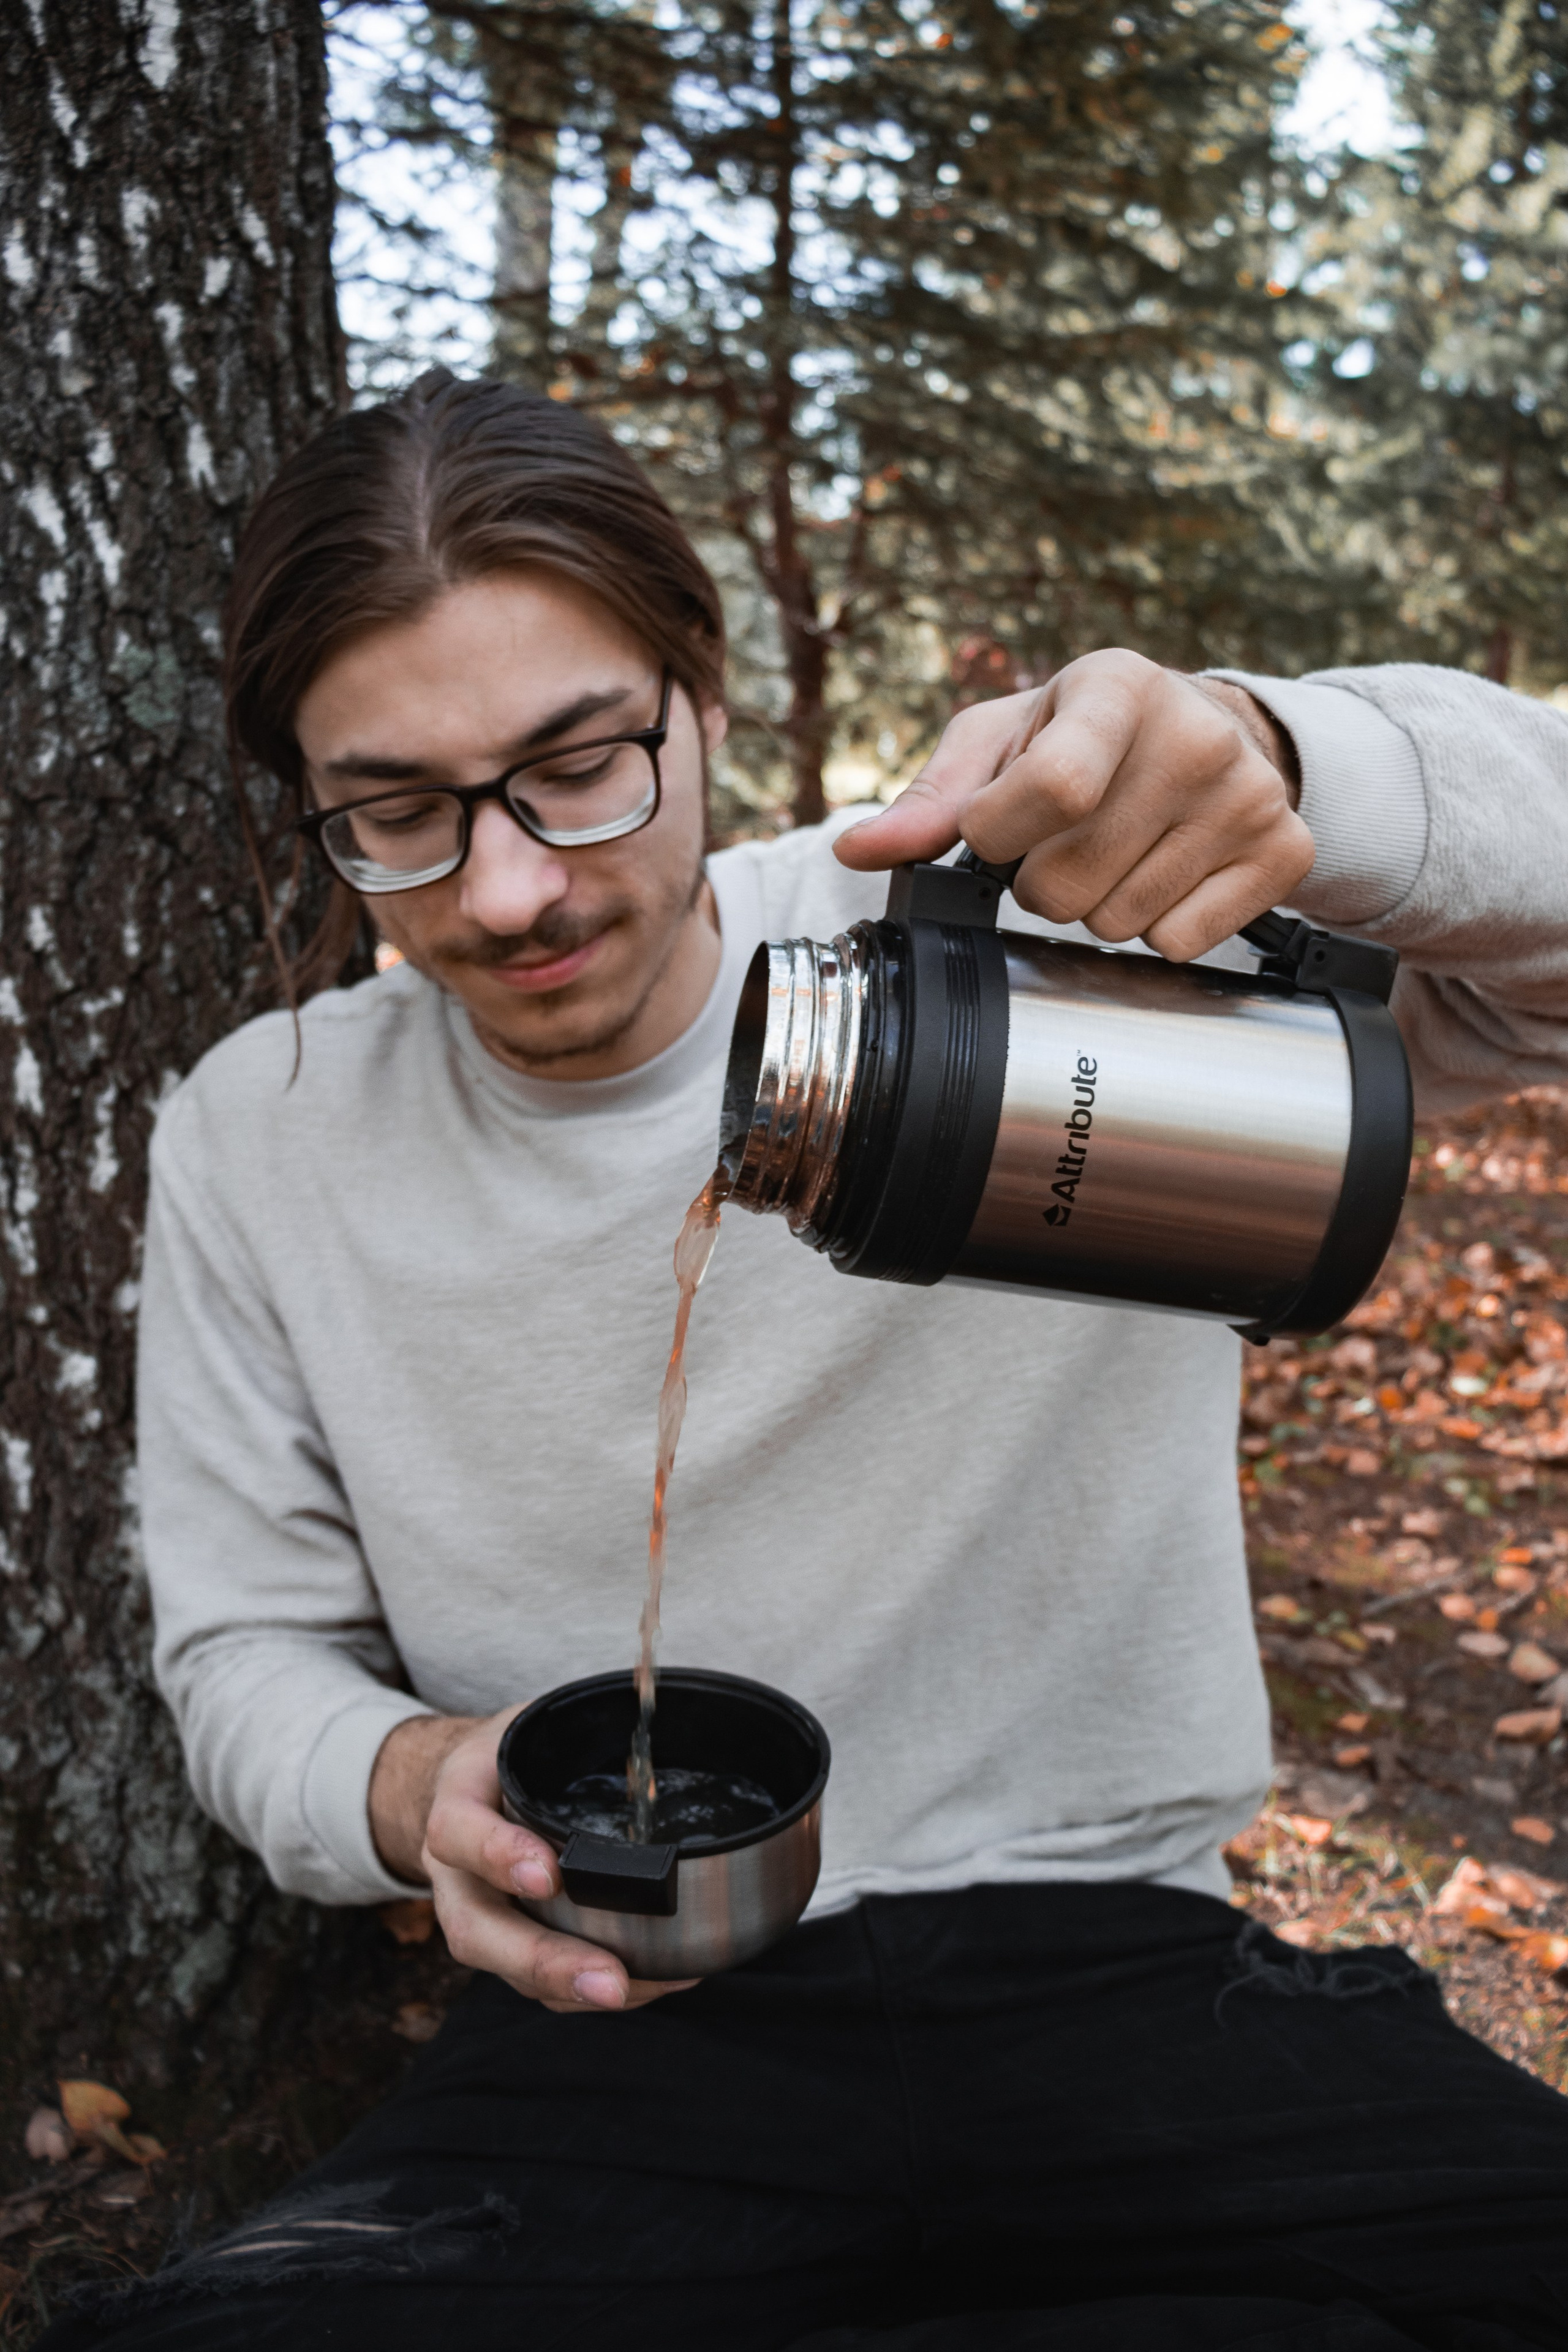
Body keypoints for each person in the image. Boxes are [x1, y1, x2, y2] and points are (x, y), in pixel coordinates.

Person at [49, 372, 1568, 2351]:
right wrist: (414, 1783)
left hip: (1122, 1972)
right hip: (625, 2029)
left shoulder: (1021, 948)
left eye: (578, 763)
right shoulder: (266, 1130)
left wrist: (1298, 752)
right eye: (397, 817)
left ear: (705, 697)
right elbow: (242, 1652)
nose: (507, 890)